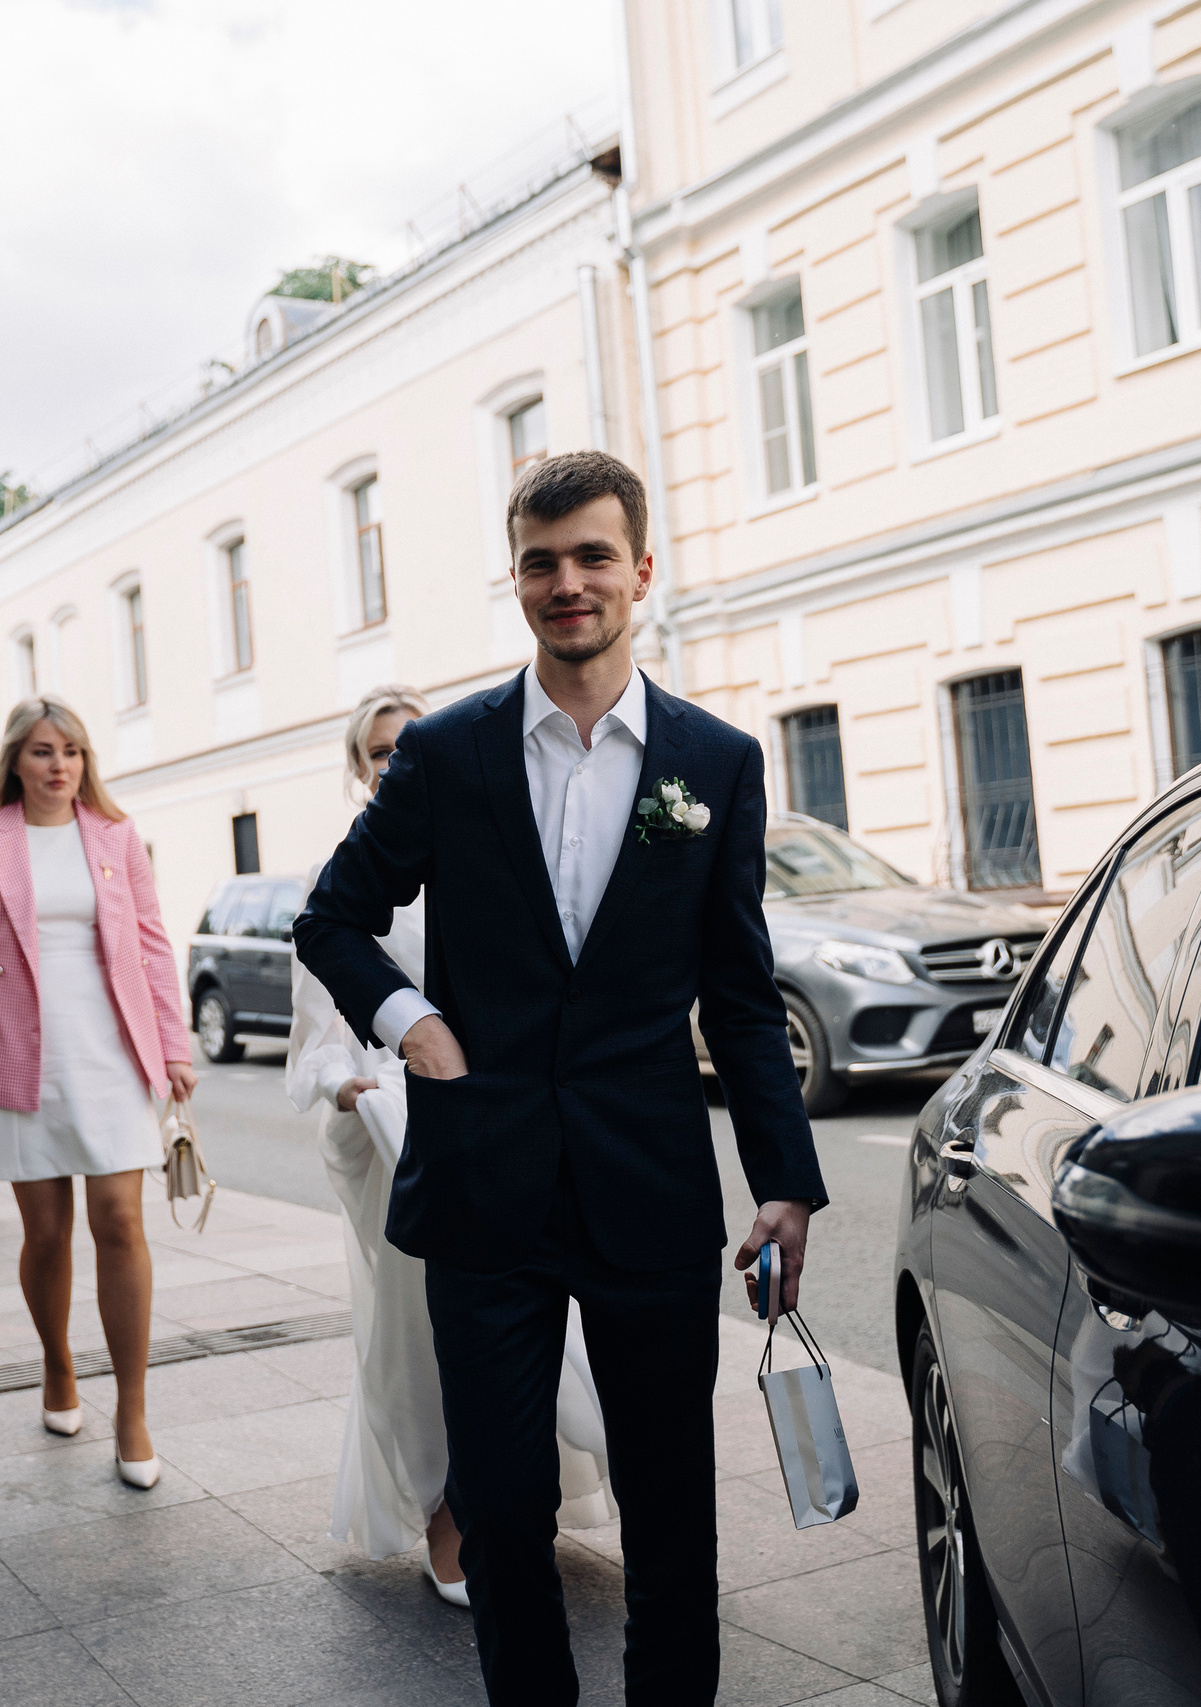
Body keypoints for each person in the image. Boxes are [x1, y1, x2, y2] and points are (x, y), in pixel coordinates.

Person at [296, 450, 828, 1705]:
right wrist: (411, 1020)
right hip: (484, 1190)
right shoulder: (446, 753)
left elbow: (741, 1001)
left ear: (642, 570)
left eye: (593, 557)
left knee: (669, 1514)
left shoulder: (716, 761)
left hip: (645, 1189)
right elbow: (331, 919)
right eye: (541, 562)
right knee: (501, 1512)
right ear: (517, 578)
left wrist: (785, 1187)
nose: (566, 583)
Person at [286, 687, 617, 1609]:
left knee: (524, 1321)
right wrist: (352, 1084)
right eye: (381, 750)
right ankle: (444, 1513)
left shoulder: (493, 842)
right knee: (419, 1336)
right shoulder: (345, 872)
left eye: (410, 744)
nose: (397, 761)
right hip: (393, 1135)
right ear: (362, 769)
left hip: (509, 1124)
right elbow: (318, 1039)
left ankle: (501, 1503)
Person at [0, 695, 197, 1489]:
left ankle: (132, 1410)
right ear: (15, 760)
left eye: (70, 749)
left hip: (108, 1048)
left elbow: (151, 942)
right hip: (16, 1051)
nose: (58, 764)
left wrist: (174, 1045)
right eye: (41, 750)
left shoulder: (115, 835)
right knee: (46, 1232)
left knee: (119, 1217)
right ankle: (59, 1363)